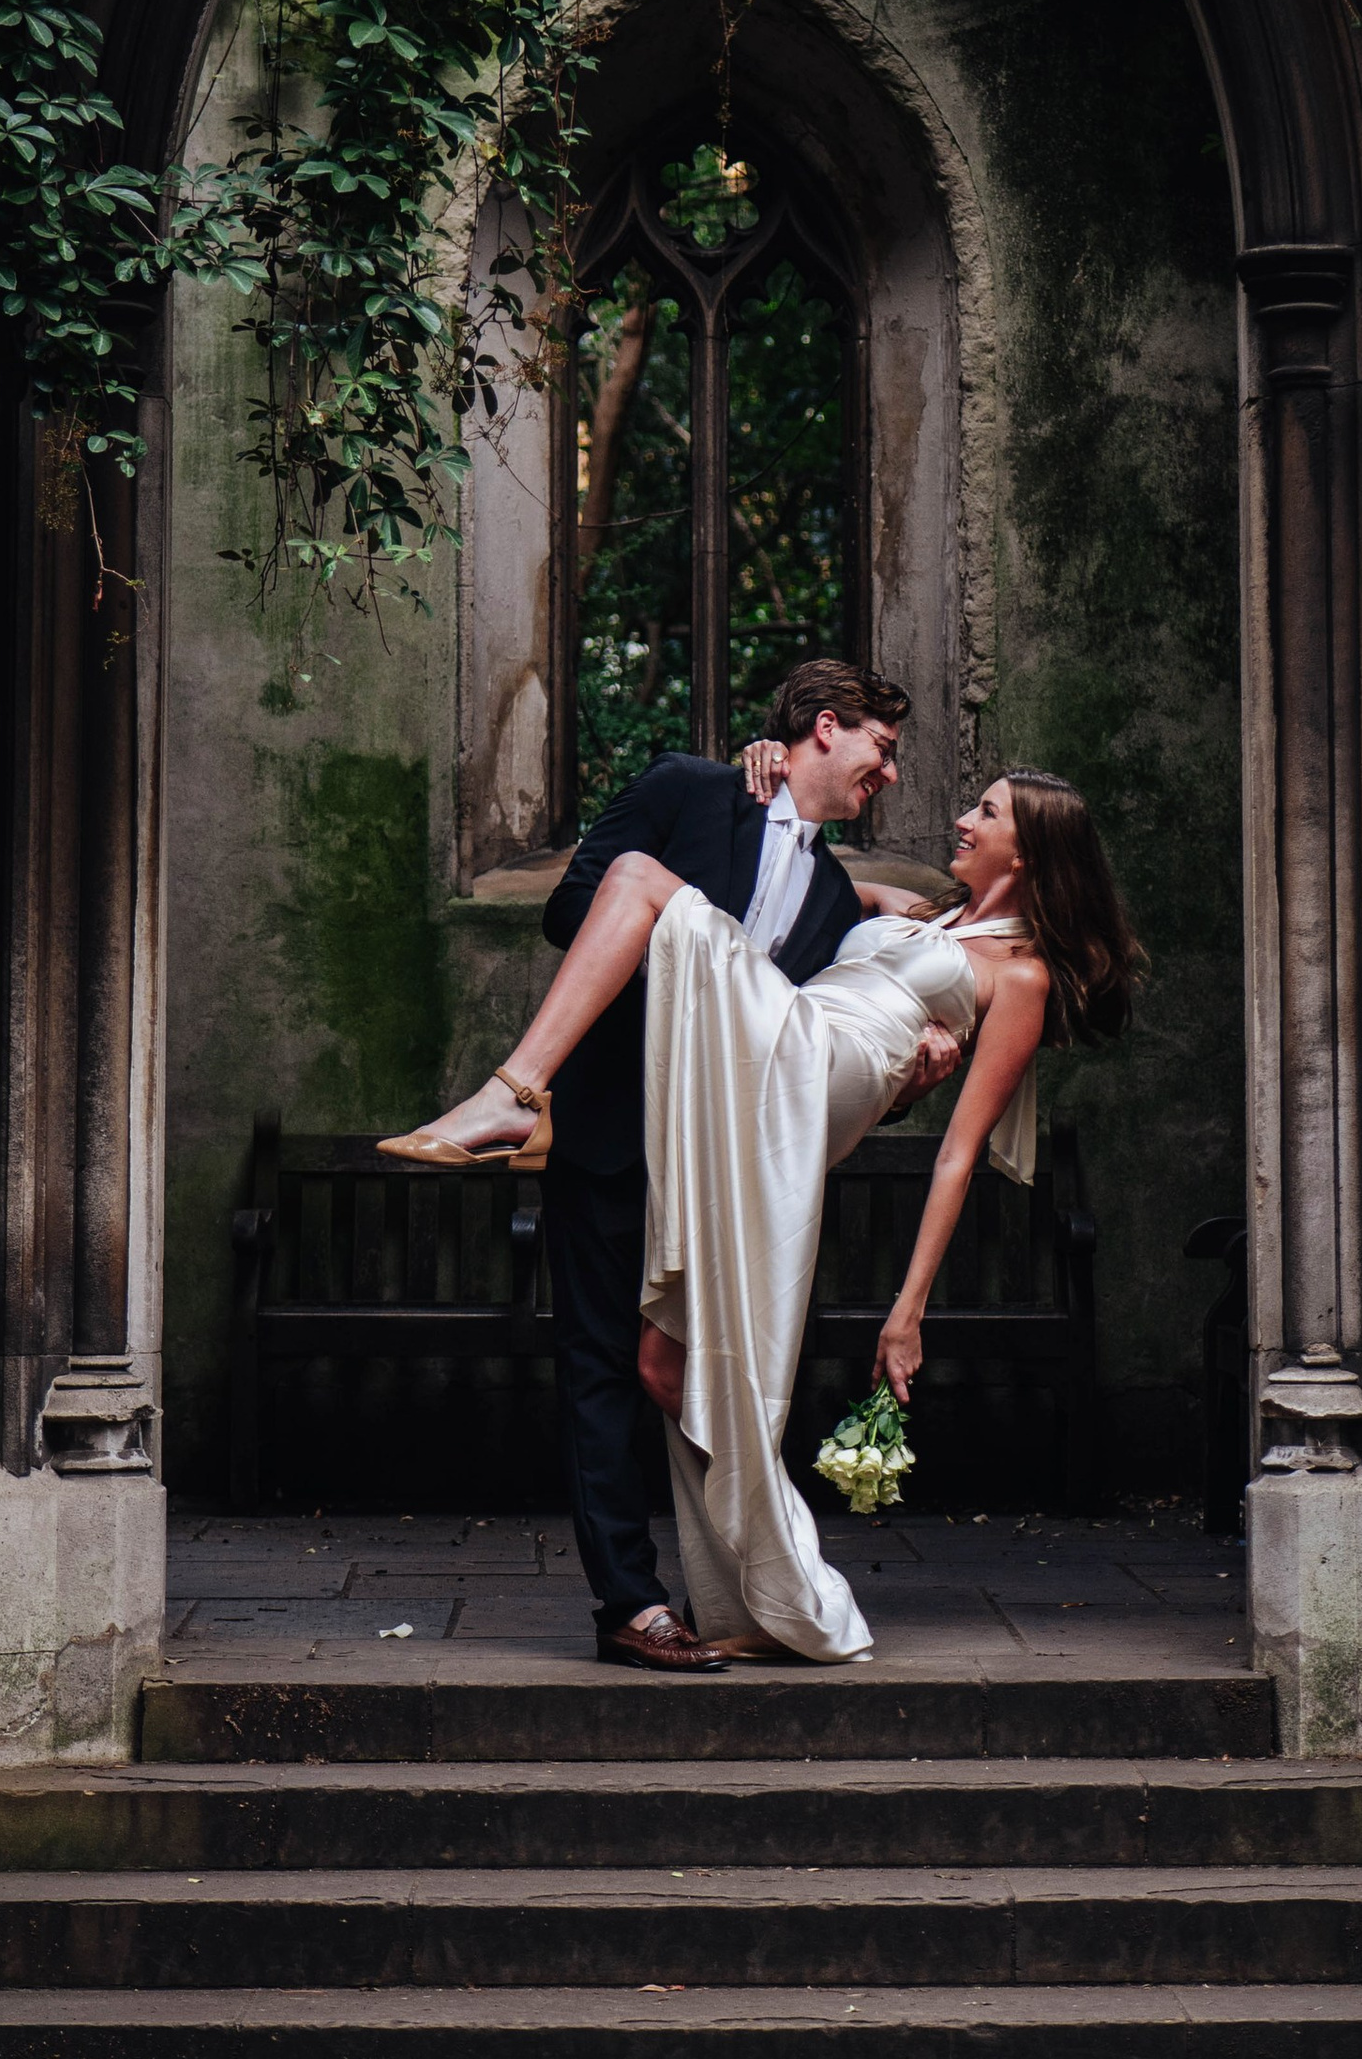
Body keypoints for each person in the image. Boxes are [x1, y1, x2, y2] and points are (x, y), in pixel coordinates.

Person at [384, 734, 1140, 1670]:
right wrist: (768, 763)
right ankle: (770, 1590)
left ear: (1026, 853)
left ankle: (517, 1094)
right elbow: (814, 884)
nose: (960, 817)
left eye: (985, 812)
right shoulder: (925, 911)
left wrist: (907, 1314)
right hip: (777, 1067)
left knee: (635, 878)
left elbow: (956, 1158)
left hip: (803, 1070)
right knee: (664, 1369)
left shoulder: (1020, 978)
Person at [381, 657, 929, 1672]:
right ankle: (628, 1605)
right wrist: (698, 928)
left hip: (719, 1177)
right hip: (608, 1130)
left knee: (688, 1372)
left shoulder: (831, 896)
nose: (887, 775)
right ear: (821, 727)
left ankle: (753, 1580)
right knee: (598, 1369)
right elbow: (572, 911)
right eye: (880, 749)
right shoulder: (689, 789)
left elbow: (806, 1045)